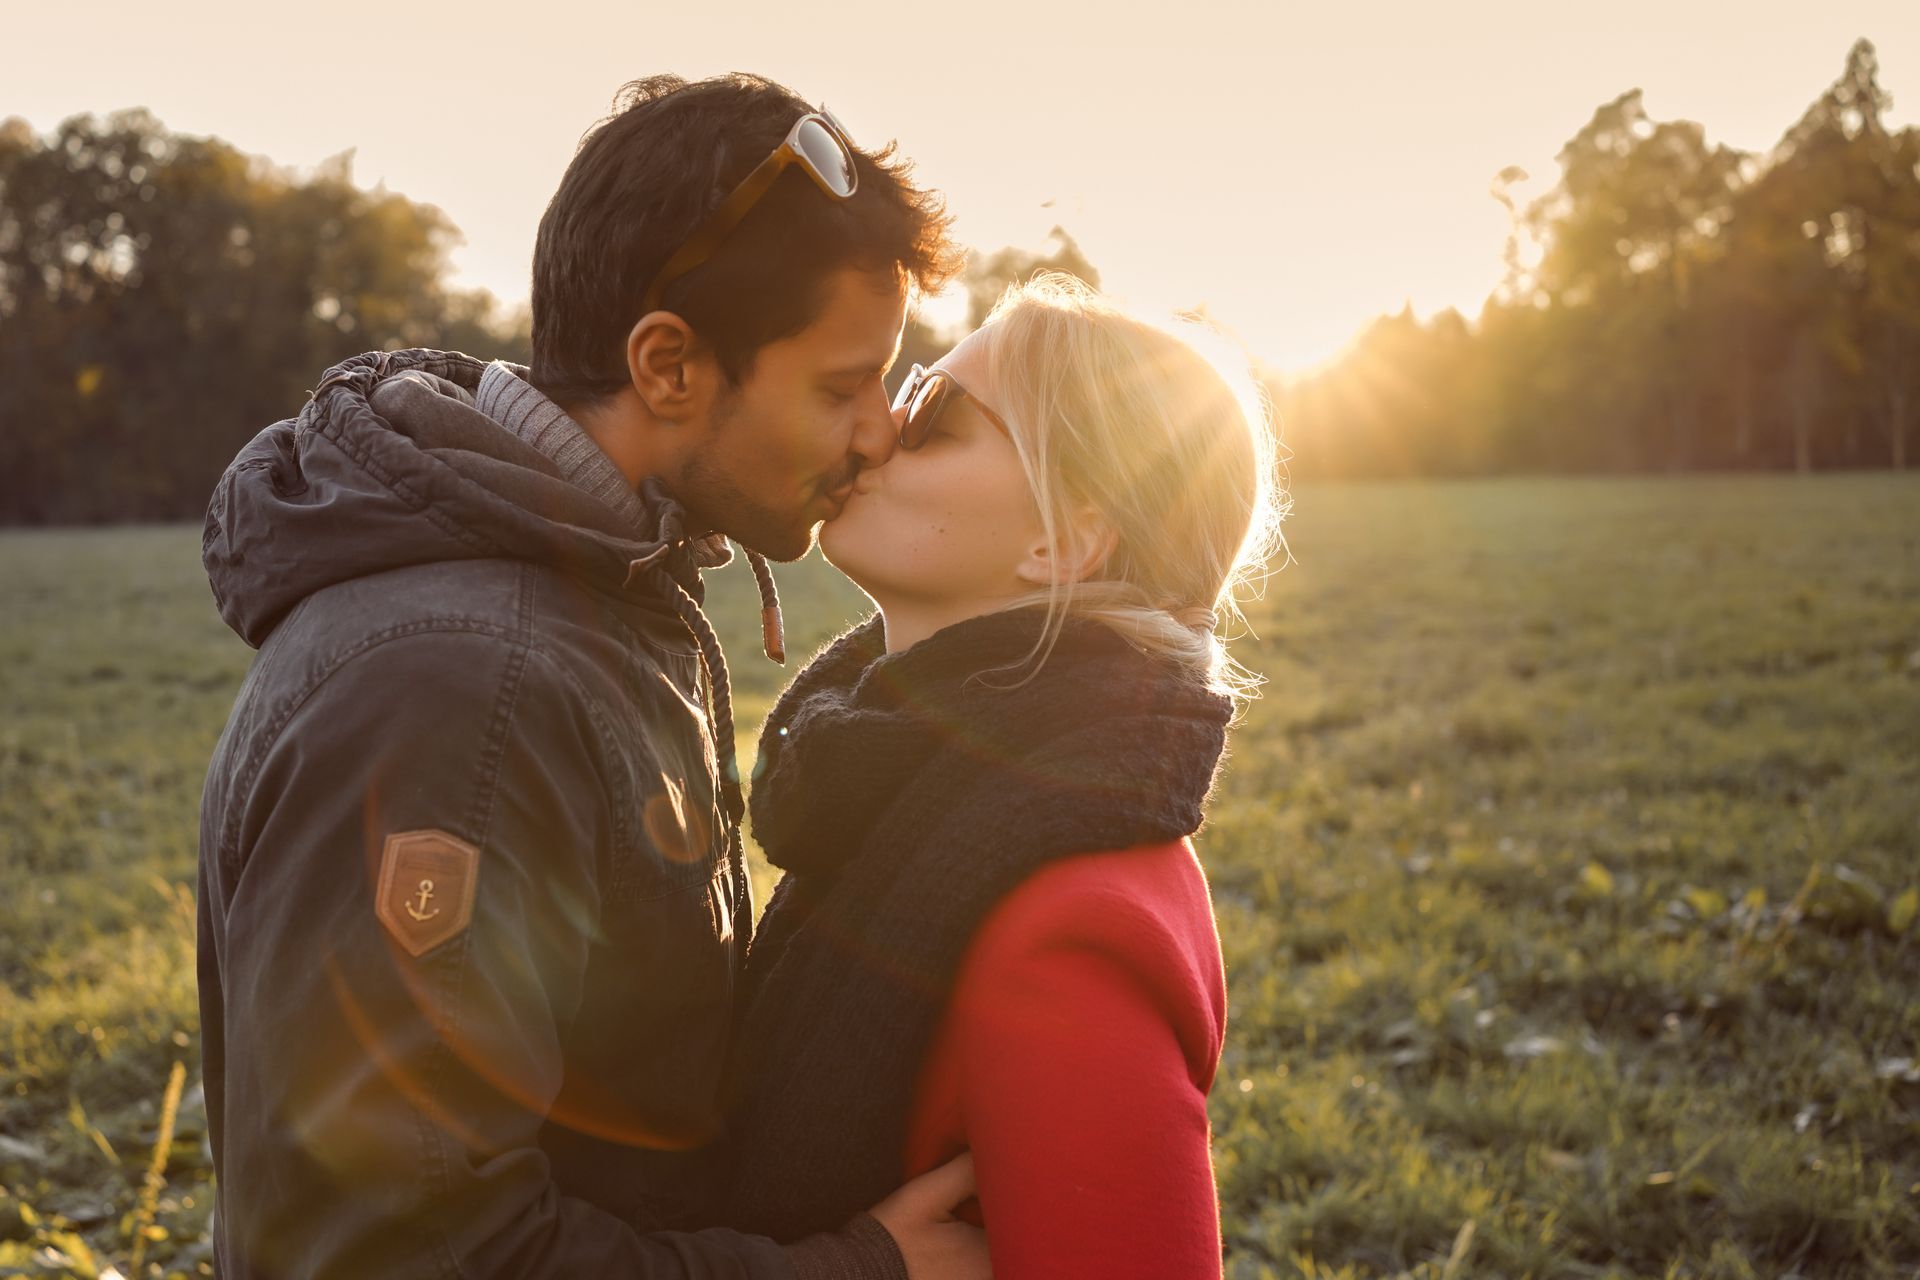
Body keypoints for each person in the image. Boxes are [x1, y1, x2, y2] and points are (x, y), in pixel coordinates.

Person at [196, 73, 988, 1279]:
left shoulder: (603, 598)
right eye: (841, 385)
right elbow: (391, 1253)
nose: (879, 428)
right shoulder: (458, 692)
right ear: (668, 365)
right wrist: (858, 1270)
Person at [720, 273, 1285, 1279]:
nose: (877, 433)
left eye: (934, 413)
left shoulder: (1069, 919)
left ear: (1064, 540)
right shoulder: (910, 791)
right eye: (905, 392)